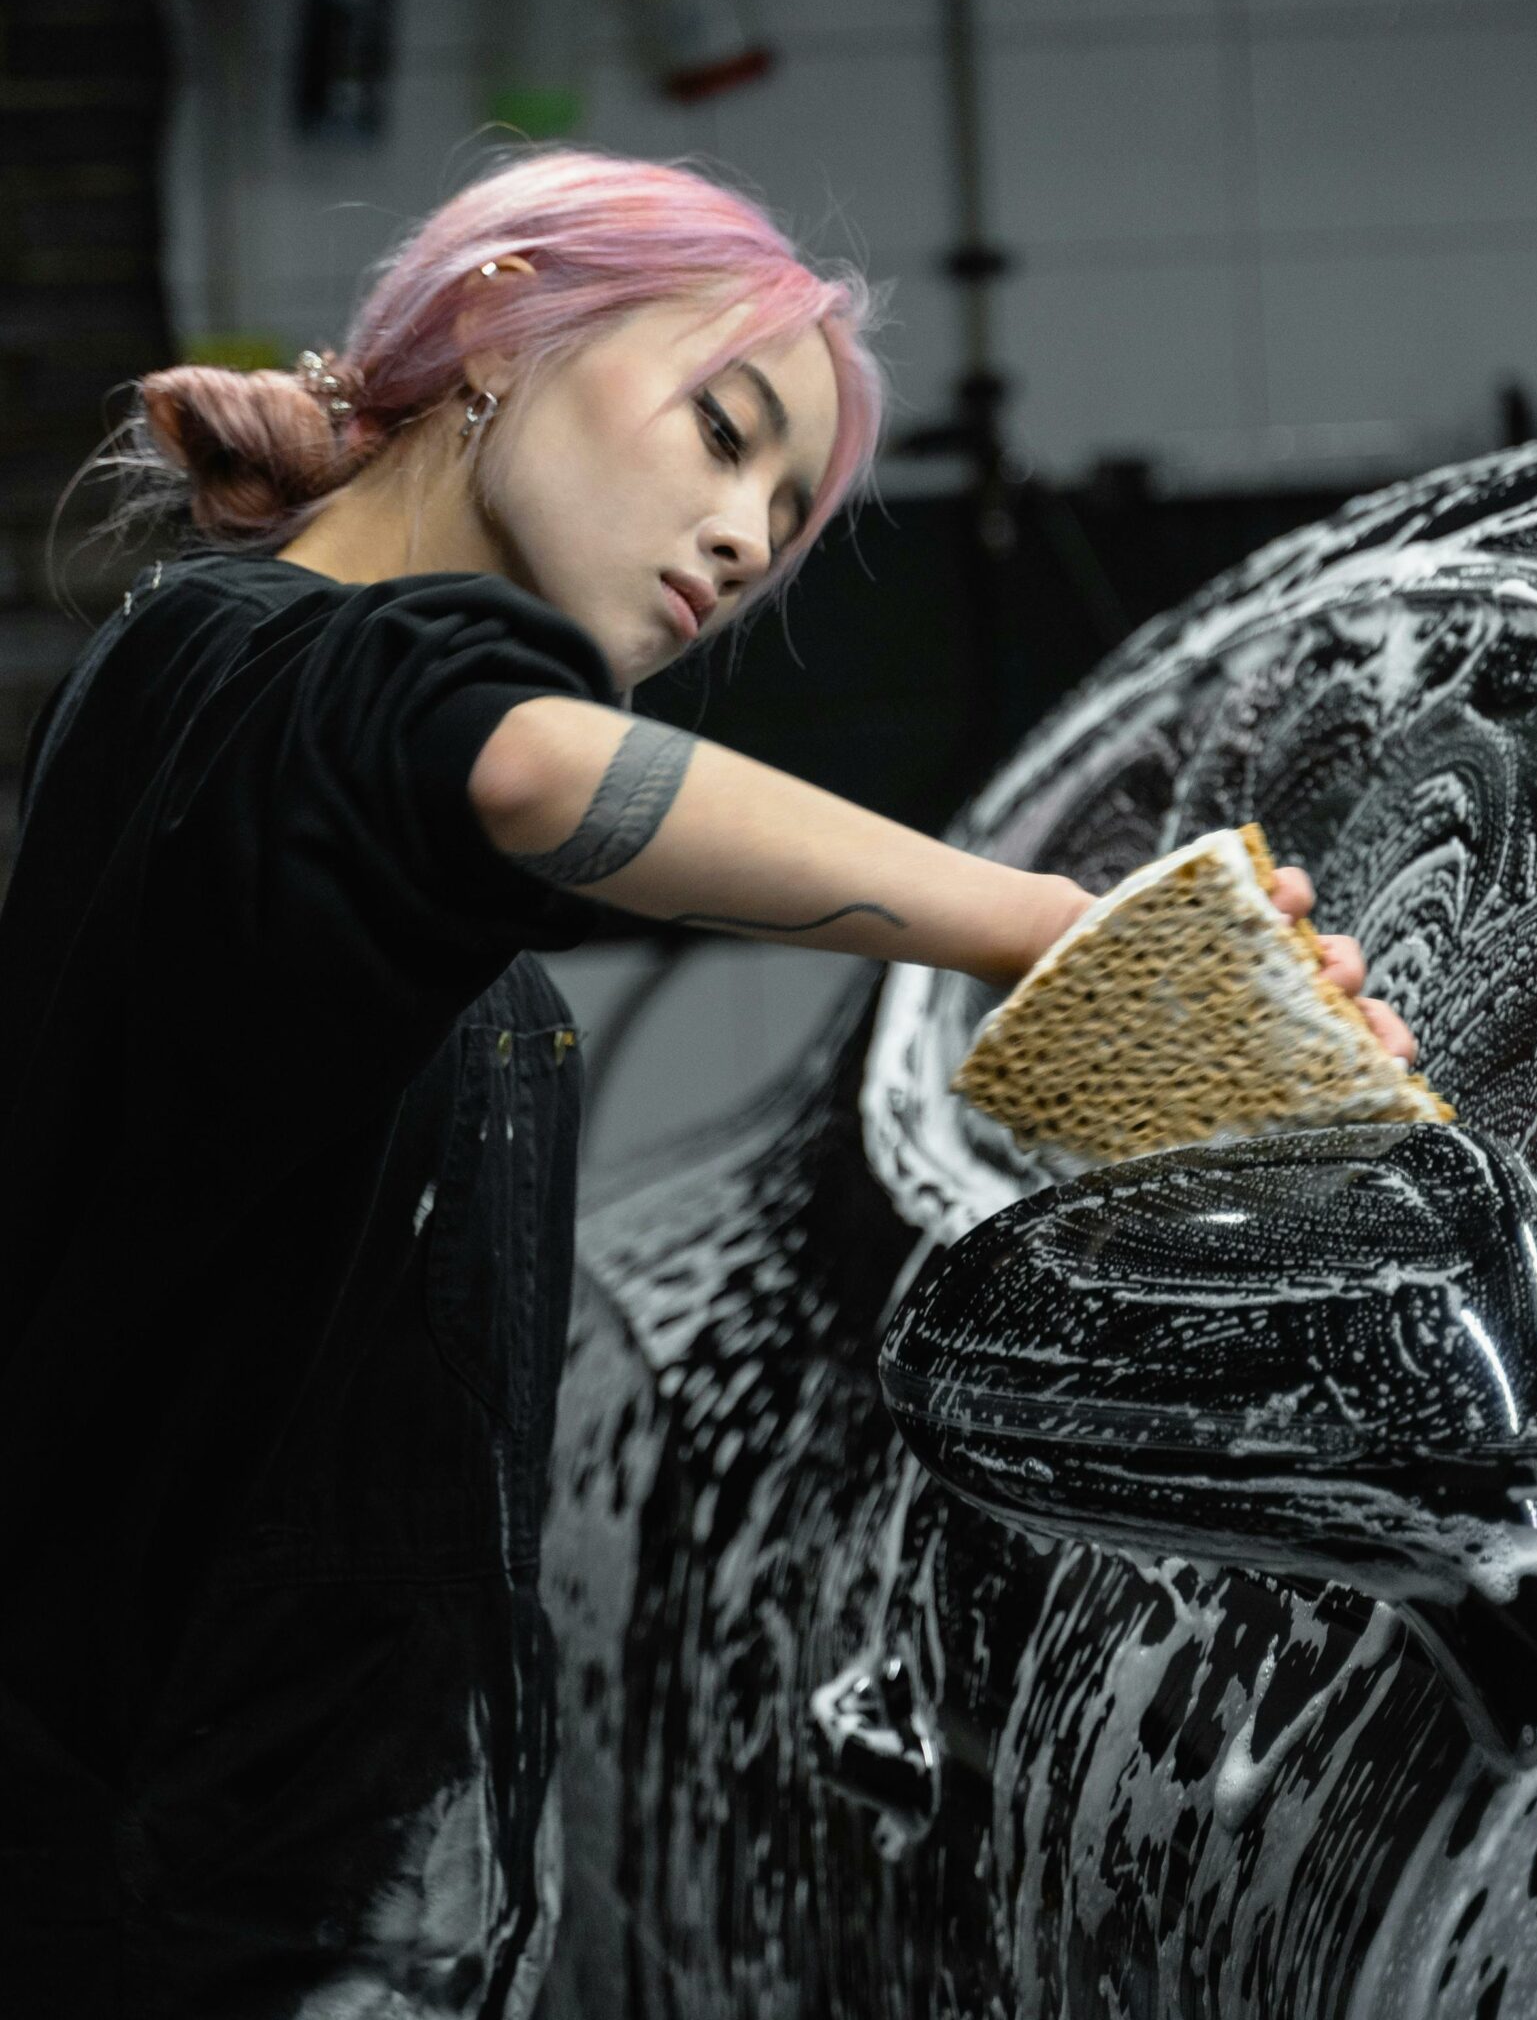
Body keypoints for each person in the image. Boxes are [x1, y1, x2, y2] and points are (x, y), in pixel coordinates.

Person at [0, 147, 1414, 2017]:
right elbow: (498, 762)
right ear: (502, 318)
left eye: (783, 504)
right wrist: (1052, 930)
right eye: (722, 430)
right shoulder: (279, 667)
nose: (746, 537)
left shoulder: (250, 692)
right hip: (191, 1902)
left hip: (246, 1876)